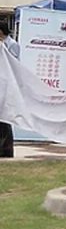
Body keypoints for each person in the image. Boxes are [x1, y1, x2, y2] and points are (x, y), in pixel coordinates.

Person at [0, 22, 20, 158]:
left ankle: (6, 149)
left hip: (7, 84)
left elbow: (12, 62)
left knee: (5, 117)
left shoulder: (11, 44)